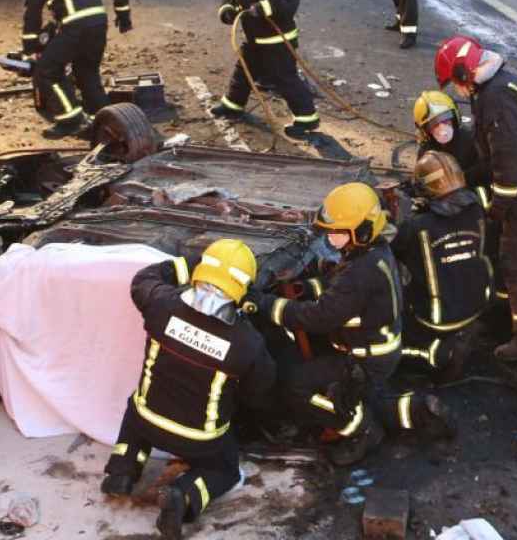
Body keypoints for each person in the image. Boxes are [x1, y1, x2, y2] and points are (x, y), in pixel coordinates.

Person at [246, 182, 454, 465]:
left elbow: (319, 317)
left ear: (362, 230)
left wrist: (266, 304)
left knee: (297, 385)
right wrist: (309, 289)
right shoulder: (373, 253)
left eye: (337, 232)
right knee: (368, 397)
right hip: (377, 348)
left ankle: (363, 431)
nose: (330, 238)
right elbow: (342, 289)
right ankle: (417, 410)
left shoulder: (360, 271)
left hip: (364, 359)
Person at [101, 239, 275, 539]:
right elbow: (261, 388)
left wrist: (186, 264)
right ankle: (184, 496)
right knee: (226, 471)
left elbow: (143, 280)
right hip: (199, 440)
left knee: (137, 407)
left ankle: (122, 472)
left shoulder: (161, 305)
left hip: (148, 421)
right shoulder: (247, 342)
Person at [434, 36, 517, 362]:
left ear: (464, 73)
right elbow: (492, 152)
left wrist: (499, 206)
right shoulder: (494, 86)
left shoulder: (496, 97)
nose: (456, 91)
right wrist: (464, 176)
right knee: (504, 251)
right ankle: (508, 311)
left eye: (454, 84)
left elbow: (509, 157)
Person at [21, 0, 132, 139]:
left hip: (75, 26)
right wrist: (123, 14)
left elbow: (32, 10)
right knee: (87, 72)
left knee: (46, 71)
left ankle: (70, 121)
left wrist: (29, 47)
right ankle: (107, 125)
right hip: (99, 23)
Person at [209, 0, 320, 139]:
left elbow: (289, 4)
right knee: (243, 72)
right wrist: (227, 11)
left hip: (277, 42)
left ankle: (307, 118)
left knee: (285, 79)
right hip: (254, 40)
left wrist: (264, 8)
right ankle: (233, 105)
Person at [393, 151, 492, 381]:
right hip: (477, 305)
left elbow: (393, 247)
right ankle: (464, 332)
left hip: (436, 319)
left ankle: (435, 354)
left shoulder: (418, 228)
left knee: (390, 346)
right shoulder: (476, 209)